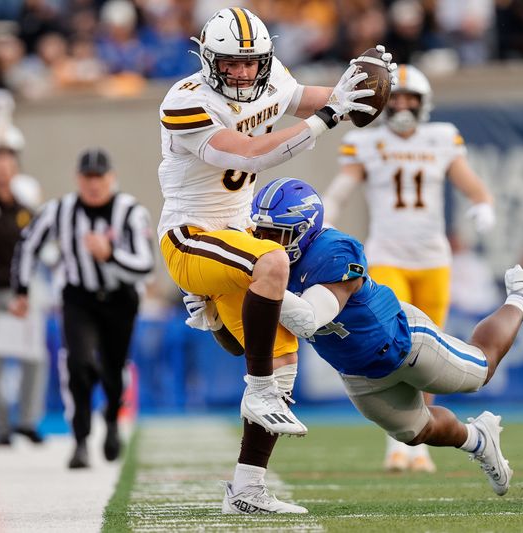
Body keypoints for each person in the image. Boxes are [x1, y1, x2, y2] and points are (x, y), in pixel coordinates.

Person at [161, 6, 393, 514]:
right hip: (190, 234)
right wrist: (328, 118)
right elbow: (248, 154)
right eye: (231, 63)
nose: (243, 72)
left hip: (235, 239)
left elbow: (316, 98)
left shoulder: (270, 79)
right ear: (207, 60)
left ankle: (246, 488)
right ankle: (255, 382)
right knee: (272, 263)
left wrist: (354, 86)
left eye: (251, 63)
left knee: (282, 358)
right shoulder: (185, 100)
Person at [247, 178, 523, 496]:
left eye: (277, 235)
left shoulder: (333, 251)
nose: (266, 242)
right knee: (416, 432)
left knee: (480, 370)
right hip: (357, 370)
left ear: (306, 229)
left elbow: (309, 318)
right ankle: (478, 439)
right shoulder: (266, 258)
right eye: (260, 233)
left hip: (403, 340)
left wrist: (252, 281)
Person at [323, 64, 495, 473]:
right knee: (395, 347)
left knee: (429, 353)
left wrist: (482, 202)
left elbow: (468, 179)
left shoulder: (441, 138)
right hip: (387, 256)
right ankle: (396, 442)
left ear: (423, 104)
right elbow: (343, 186)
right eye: (395, 98)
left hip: (433, 258)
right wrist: (326, 212)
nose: (401, 105)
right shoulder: (366, 143)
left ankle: (419, 443)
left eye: (408, 99)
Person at [10, 148, 154, 469]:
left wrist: (110, 254)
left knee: (114, 369)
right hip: (79, 298)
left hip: (120, 298)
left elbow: (145, 265)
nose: (94, 184)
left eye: (99, 177)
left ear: (111, 178)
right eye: (88, 177)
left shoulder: (130, 211)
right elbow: (28, 244)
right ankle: (80, 440)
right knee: (78, 365)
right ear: (78, 179)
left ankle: (113, 419)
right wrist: (20, 289)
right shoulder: (58, 210)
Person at [0, 147, 48, 446]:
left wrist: (24, 291)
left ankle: (28, 420)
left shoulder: (23, 211)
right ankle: (0, 425)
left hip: (17, 292)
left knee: (33, 353)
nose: (2, 173)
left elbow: (37, 250)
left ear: (16, 172)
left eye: (8, 167)